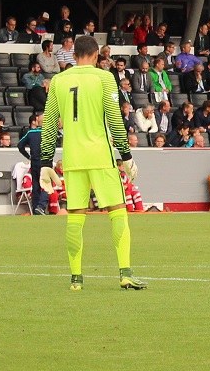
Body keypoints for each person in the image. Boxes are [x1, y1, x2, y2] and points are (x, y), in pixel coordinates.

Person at [37, 33, 145, 289]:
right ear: (97, 56)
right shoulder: (105, 78)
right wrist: (126, 156)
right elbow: (115, 120)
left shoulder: (58, 81)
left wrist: (45, 162)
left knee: (75, 216)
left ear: (73, 57)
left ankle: (76, 279)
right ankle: (125, 273)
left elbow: (49, 123)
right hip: (100, 156)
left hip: (72, 158)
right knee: (117, 211)